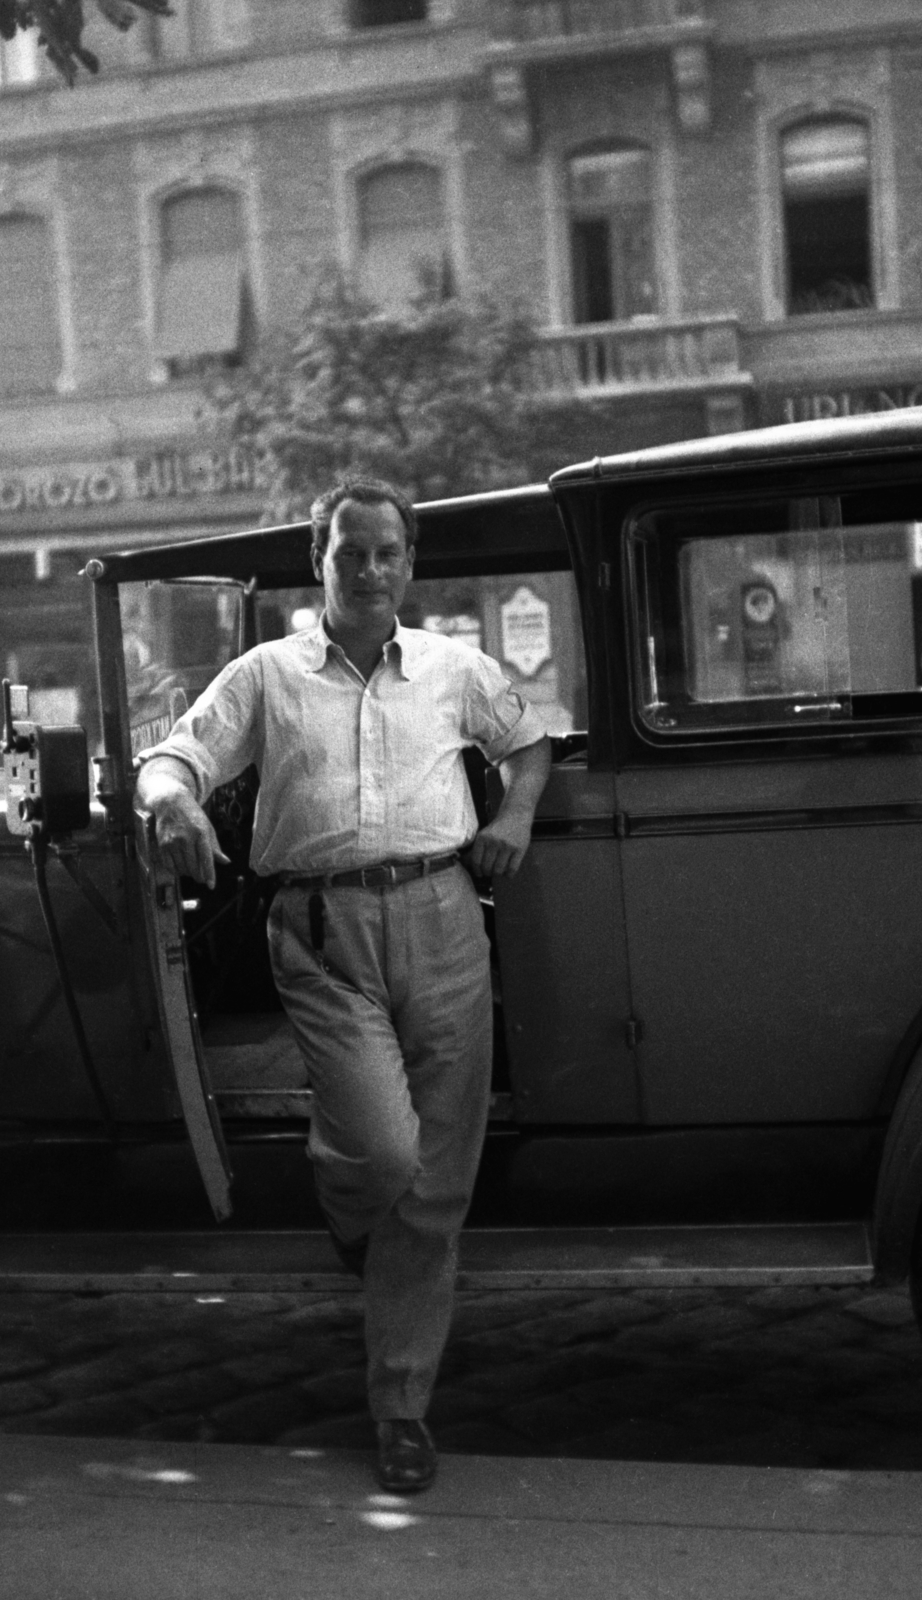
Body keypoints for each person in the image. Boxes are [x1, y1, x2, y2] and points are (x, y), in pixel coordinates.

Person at [136, 477, 551, 1493]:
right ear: (317, 562)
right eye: (349, 552)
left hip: (445, 918)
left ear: (409, 565)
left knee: (438, 1179)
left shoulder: (456, 668)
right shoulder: (268, 674)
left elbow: (531, 746)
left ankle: (400, 1406)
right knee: (383, 1147)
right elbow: (170, 758)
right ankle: (349, 1204)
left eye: (387, 553)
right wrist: (173, 807)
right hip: (319, 931)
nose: (370, 570)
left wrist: (513, 820)